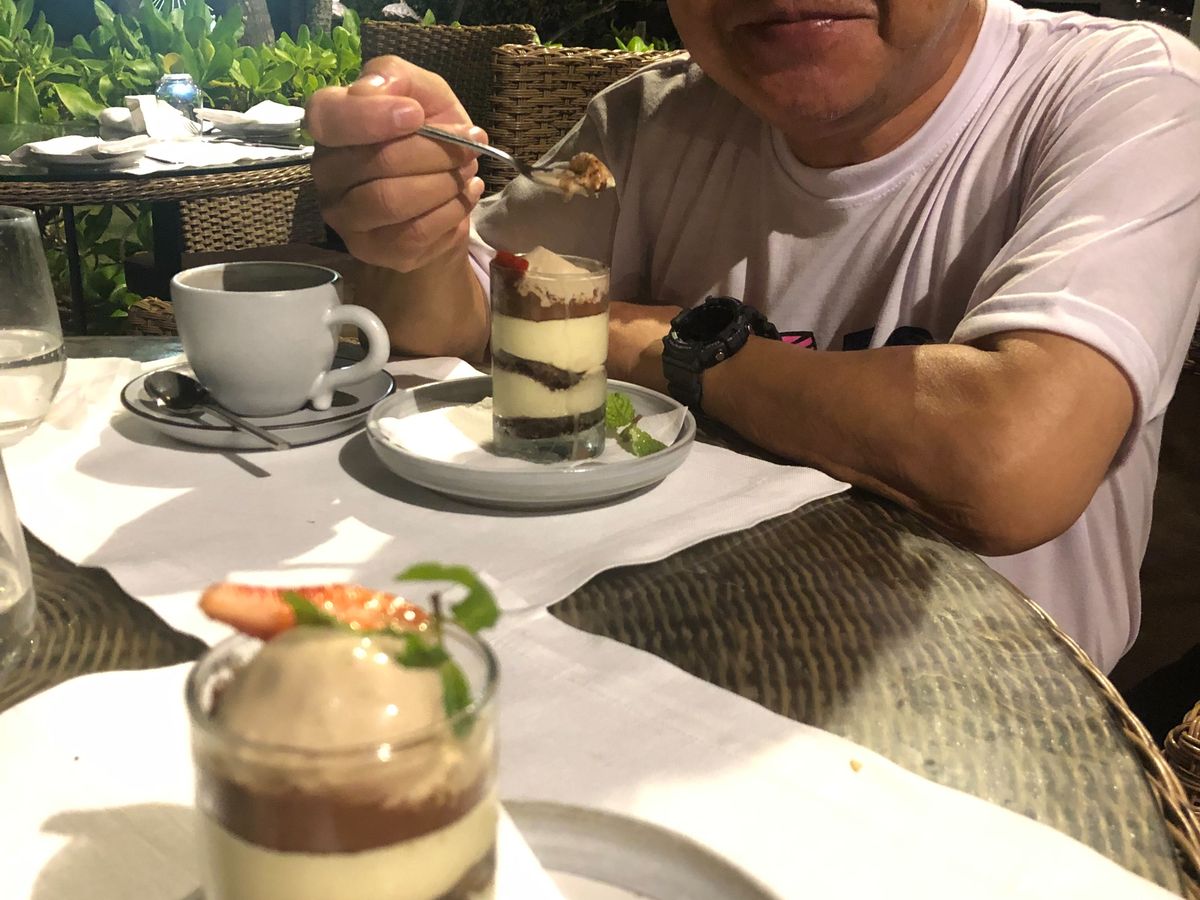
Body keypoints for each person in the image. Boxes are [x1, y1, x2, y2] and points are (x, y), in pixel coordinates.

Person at [305, 0, 1200, 673]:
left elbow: (1008, 464)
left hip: (989, 708)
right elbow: (465, 324)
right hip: (650, 653)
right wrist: (415, 236)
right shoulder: (647, 122)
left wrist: (659, 343)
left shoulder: (1128, 92)